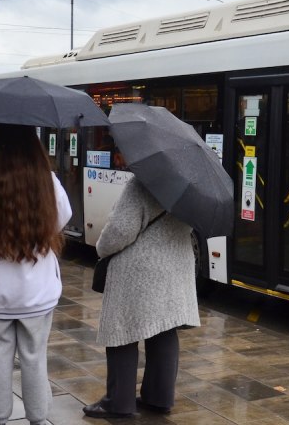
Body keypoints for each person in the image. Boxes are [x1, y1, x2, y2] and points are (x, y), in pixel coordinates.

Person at [0, 125, 71, 425]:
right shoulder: (45, 180)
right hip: (37, 293)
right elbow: (64, 215)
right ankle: (38, 419)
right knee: (35, 358)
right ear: (34, 144)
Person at [83, 177, 200, 418]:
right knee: (164, 329)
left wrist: (101, 248)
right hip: (177, 265)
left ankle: (117, 402)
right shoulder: (192, 186)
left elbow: (120, 230)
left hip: (140, 270)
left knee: (122, 332)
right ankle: (159, 398)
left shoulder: (142, 183)